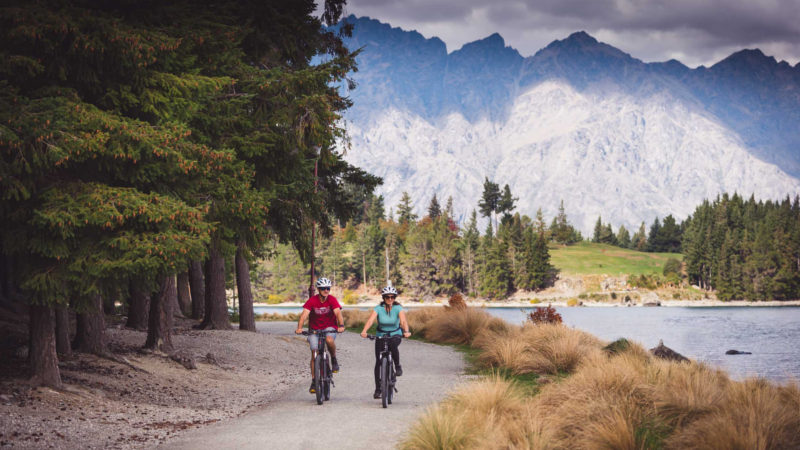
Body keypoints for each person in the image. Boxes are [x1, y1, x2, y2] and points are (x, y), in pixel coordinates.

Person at [360, 284, 411, 399]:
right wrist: (364, 331)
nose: (390, 299)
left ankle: (397, 366)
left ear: (395, 298)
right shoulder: (378, 309)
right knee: (378, 362)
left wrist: (406, 331)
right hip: (381, 335)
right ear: (383, 298)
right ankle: (378, 389)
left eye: (392, 297)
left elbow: (403, 322)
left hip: (395, 334)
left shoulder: (399, 308)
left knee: (393, 345)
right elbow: (370, 321)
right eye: (387, 297)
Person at [295, 277, 345, 394]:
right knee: (314, 352)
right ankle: (314, 381)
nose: (326, 290)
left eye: (328, 288)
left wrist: (341, 325)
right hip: (315, 329)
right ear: (319, 289)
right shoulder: (312, 300)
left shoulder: (332, 299)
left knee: (329, 339)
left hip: (329, 327)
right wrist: (299, 328)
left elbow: (337, 312)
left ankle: (333, 358)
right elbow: (304, 315)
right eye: (323, 288)